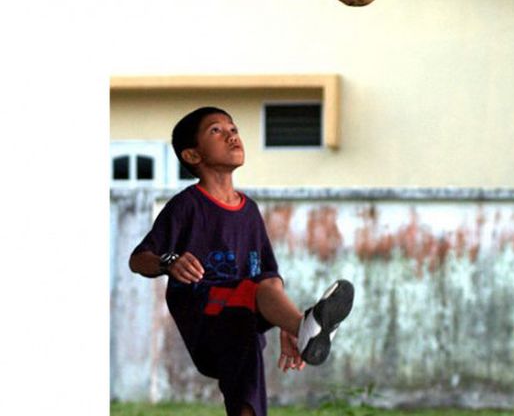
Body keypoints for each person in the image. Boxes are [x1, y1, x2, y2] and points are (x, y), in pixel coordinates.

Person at [128, 106, 354, 416]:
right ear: (193, 156)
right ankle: (306, 327)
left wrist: (284, 321)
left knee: (247, 392)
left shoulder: (249, 211)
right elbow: (138, 259)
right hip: (206, 317)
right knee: (253, 294)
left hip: (243, 320)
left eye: (233, 128)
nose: (231, 134)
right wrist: (169, 261)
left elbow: (269, 277)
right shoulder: (186, 206)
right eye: (216, 131)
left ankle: (304, 328)